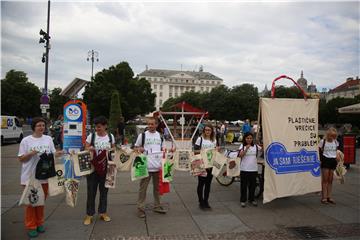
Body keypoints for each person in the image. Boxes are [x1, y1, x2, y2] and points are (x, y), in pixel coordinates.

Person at [18, 117, 63, 238]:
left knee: (41, 201)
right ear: (34, 127)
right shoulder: (26, 141)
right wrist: (30, 153)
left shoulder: (48, 139)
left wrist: (58, 153)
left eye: (43, 125)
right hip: (29, 176)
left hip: (45, 175)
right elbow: (21, 158)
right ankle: (31, 226)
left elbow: (53, 153)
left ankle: (39, 223)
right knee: (31, 202)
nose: (41, 127)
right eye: (39, 125)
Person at [134, 117, 174, 218]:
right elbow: (135, 147)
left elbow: (163, 149)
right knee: (143, 188)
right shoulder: (142, 136)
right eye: (149, 124)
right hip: (145, 166)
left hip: (158, 166)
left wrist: (169, 151)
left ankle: (157, 205)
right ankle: (140, 208)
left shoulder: (160, 136)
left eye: (152, 124)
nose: (150, 126)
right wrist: (139, 149)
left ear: (156, 125)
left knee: (157, 188)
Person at [83, 116, 115, 225]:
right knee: (91, 192)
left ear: (105, 126)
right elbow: (86, 148)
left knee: (104, 192)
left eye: (99, 127)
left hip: (107, 168)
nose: (97, 129)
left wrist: (112, 150)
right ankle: (89, 215)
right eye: (96, 127)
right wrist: (89, 148)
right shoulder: (91, 137)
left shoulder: (110, 137)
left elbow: (113, 149)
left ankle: (103, 212)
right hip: (93, 168)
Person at [194, 123, 219, 210]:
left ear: (212, 131)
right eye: (206, 130)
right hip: (202, 165)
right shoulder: (200, 139)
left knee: (208, 184)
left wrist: (217, 150)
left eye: (209, 130)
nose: (207, 131)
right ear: (204, 131)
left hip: (211, 165)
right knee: (201, 184)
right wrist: (203, 155)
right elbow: (195, 151)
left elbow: (215, 151)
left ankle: (206, 201)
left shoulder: (214, 140)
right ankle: (201, 201)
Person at [238, 132, 261, 208]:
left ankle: (251, 199)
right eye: (247, 138)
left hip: (253, 169)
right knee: (243, 185)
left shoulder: (256, 146)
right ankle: (243, 200)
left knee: (252, 186)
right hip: (244, 169)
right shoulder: (242, 146)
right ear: (245, 139)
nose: (249, 139)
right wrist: (246, 149)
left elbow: (263, 149)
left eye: (250, 138)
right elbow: (240, 155)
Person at [319, 127, 340, 204]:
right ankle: (324, 197)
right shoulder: (323, 141)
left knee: (330, 180)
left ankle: (329, 197)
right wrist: (320, 160)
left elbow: (337, 151)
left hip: (333, 160)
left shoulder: (336, 142)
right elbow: (319, 152)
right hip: (325, 160)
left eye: (334, 136)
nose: (333, 137)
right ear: (328, 135)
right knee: (325, 180)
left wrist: (337, 156)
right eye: (331, 136)